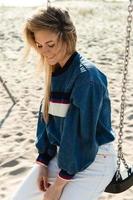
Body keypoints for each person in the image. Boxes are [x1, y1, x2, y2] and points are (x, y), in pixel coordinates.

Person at [11, 6, 117, 200]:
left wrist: (58, 185)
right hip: (65, 156)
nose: (45, 52)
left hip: (94, 159)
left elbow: (81, 137)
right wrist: (43, 161)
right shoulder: (55, 70)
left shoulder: (87, 78)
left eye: (50, 44)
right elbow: (46, 119)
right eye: (39, 45)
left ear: (67, 36)